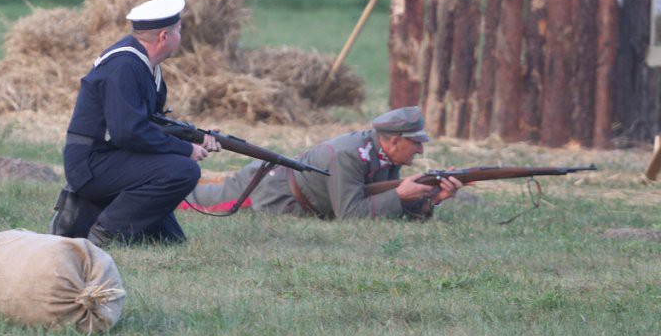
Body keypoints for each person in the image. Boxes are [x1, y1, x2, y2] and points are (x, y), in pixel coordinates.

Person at [49, 0, 221, 246]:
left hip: (110, 156)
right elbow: (128, 132)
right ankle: (104, 233)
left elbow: (147, 124)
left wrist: (196, 136)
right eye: (179, 30)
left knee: (169, 241)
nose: (180, 37)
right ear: (164, 37)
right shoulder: (124, 66)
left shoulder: (144, 64)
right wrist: (185, 149)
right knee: (184, 170)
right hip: (91, 163)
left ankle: (89, 215)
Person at [182, 107, 462, 220]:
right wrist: (400, 194)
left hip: (294, 198)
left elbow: (384, 206)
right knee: (186, 199)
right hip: (268, 192)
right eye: (416, 143)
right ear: (394, 141)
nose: (422, 148)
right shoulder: (350, 155)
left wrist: (432, 200)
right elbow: (351, 216)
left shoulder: (383, 155)